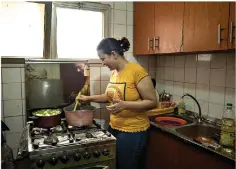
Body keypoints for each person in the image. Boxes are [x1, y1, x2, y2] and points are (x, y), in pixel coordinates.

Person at [78, 37, 157, 169]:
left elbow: (152, 102)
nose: (103, 63)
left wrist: (125, 105)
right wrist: (88, 99)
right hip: (114, 127)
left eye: (103, 58)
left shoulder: (137, 71)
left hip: (133, 131)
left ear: (114, 54)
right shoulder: (115, 73)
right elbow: (109, 96)